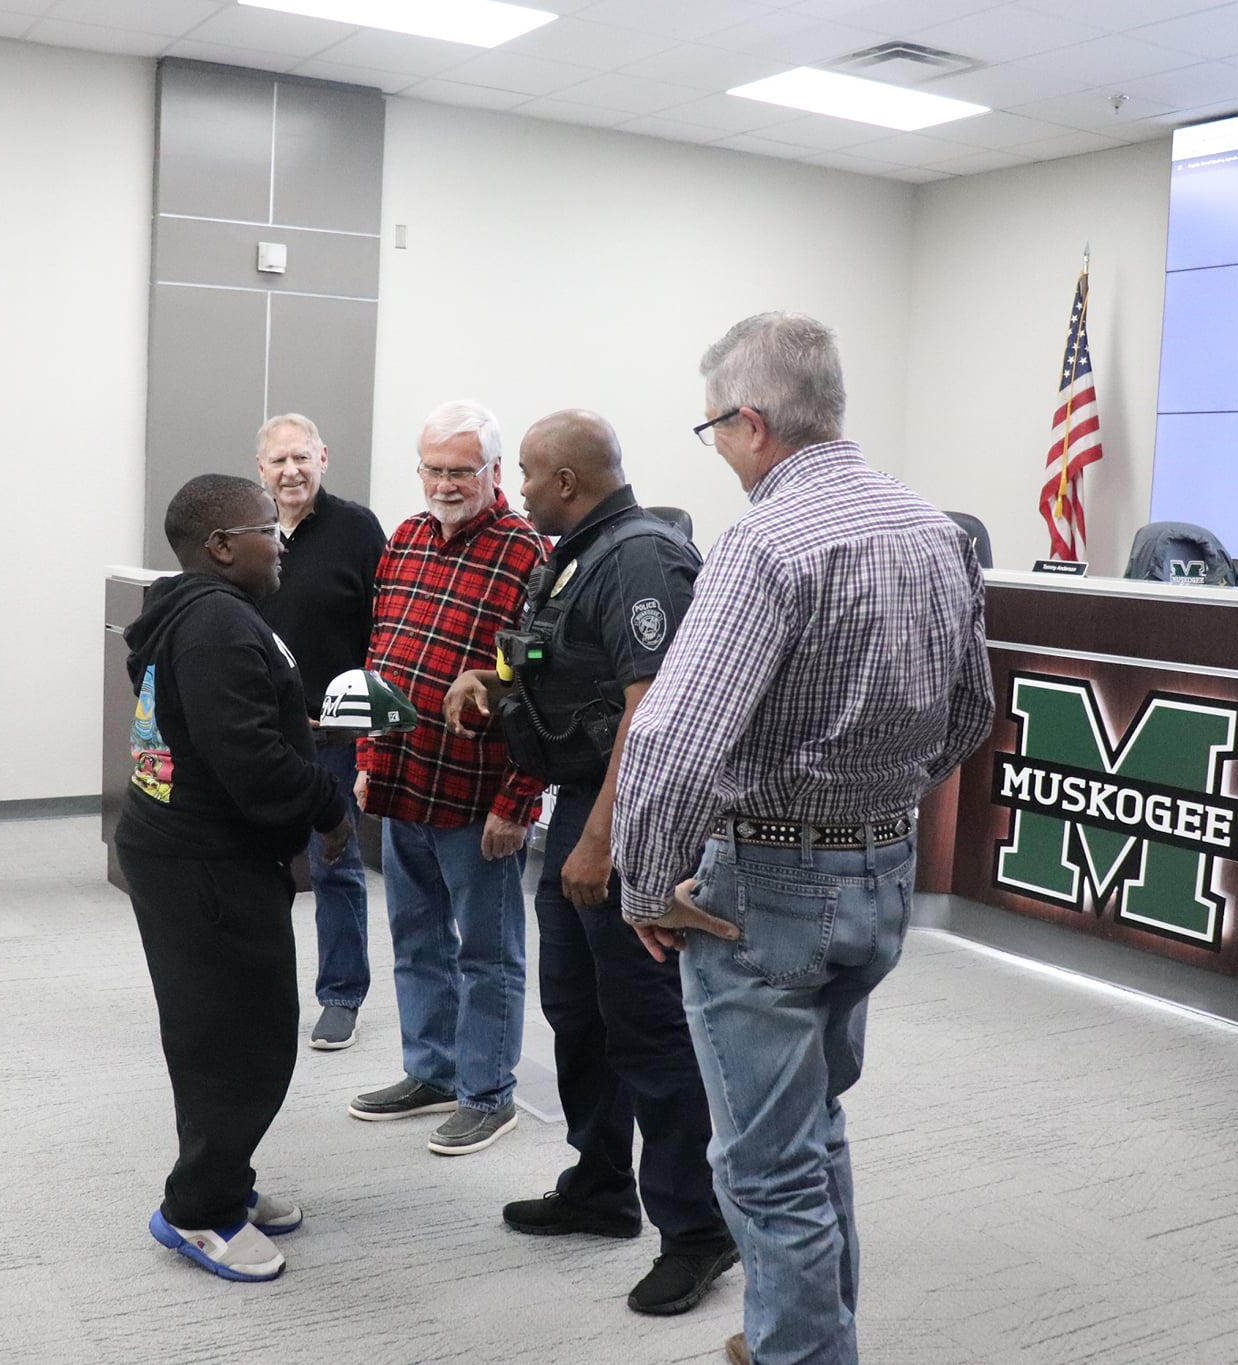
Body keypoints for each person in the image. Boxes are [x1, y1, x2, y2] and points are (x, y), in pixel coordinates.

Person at [612, 313, 993, 1365]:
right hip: (879, 877)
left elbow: (671, 744)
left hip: (768, 890)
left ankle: (799, 1354)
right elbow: (969, 713)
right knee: (813, 1131)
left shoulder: (765, 541)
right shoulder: (935, 530)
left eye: (711, 432)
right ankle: (804, 1335)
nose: (719, 453)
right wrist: (876, 805)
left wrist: (645, 886)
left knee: (765, 1164)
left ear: (749, 421)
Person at [443, 409, 737, 1315]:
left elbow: (649, 713)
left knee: (646, 1025)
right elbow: (544, 650)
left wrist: (602, 839)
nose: (517, 486)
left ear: (566, 480)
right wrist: (488, 681)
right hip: (581, 800)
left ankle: (697, 1230)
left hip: (631, 811)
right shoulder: (572, 548)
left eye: (526, 473)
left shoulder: (641, 558)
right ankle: (602, 1185)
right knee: (578, 1007)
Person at [119, 473, 351, 1284]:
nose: (281, 540)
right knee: (236, 1042)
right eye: (266, 528)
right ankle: (197, 1211)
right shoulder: (217, 624)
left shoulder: (190, 608)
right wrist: (328, 801)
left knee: (223, 1027)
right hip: (204, 861)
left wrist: (295, 721)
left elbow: (218, 723)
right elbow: (249, 763)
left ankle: (227, 1180)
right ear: (221, 546)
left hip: (188, 848)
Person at [348, 399, 548, 1156]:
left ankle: (487, 1090)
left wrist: (518, 801)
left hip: (477, 793)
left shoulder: (530, 553)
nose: (444, 482)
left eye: (461, 470)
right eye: (432, 468)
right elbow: (382, 656)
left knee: (486, 952)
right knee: (414, 938)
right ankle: (429, 1070)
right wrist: (369, 759)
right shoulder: (403, 538)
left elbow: (538, 692)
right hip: (402, 778)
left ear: (494, 472)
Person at [251, 413, 386, 1053]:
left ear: (323, 458)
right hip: (261, 732)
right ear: (261, 470)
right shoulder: (249, 530)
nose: (291, 471)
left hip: (333, 735)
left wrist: (364, 732)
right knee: (252, 865)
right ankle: (256, 993)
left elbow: (383, 634)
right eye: (278, 461)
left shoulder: (357, 530)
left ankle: (340, 996)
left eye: (301, 458)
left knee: (336, 867)